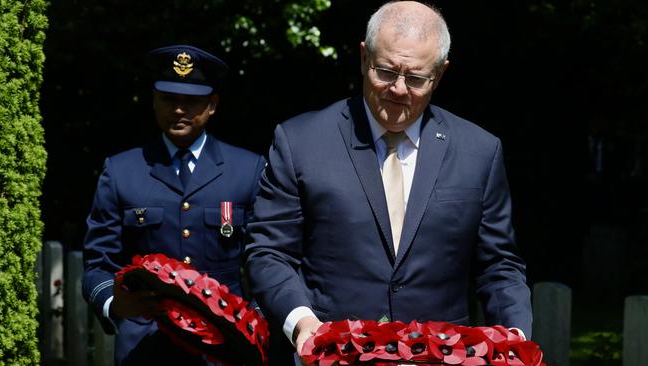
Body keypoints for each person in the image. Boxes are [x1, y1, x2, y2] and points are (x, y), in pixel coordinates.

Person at [244, 1, 532, 363]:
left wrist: (514, 338)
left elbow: (498, 265)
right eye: (385, 71)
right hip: (331, 356)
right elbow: (269, 252)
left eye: (415, 79)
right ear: (364, 58)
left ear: (440, 75)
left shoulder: (479, 151)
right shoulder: (301, 141)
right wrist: (303, 324)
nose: (398, 89)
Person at [82, 44, 266, 366]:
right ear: (154, 101)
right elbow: (97, 262)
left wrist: (255, 319)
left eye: (191, 101)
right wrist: (115, 303)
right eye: (169, 99)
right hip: (145, 345)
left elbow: (267, 258)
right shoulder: (122, 171)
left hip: (224, 345)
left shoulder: (247, 171)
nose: (179, 110)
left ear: (212, 105)